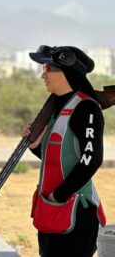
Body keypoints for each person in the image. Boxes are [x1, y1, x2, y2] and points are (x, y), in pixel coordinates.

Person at [24, 45, 106, 257]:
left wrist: (58, 195)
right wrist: (35, 145)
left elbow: (91, 158)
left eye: (48, 68)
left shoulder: (86, 107)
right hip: (52, 209)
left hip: (76, 211)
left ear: (66, 71)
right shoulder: (60, 106)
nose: (43, 74)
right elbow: (58, 158)